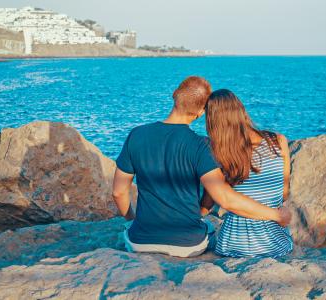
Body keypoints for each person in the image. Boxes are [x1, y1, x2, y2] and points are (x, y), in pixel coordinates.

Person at [112, 76, 291, 258]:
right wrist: (277, 215)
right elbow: (226, 198)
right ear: (199, 113)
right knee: (209, 228)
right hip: (189, 245)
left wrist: (132, 221)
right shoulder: (202, 146)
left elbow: (118, 192)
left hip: (140, 242)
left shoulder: (136, 135)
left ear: (174, 94)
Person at [201, 89, 293, 258]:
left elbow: (208, 203)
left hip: (234, 243)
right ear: (241, 111)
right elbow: (284, 194)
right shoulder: (278, 141)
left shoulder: (218, 152)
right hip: (273, 242)